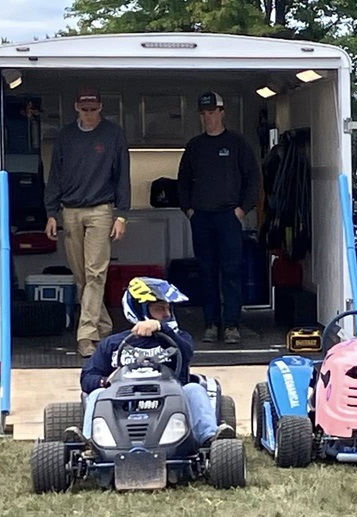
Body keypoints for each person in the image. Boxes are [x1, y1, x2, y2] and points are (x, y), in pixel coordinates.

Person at [74, 277, 234, 447]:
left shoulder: (179, 338)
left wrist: (161, 328)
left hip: (170, 401)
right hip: (123, 402)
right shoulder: (112, 344)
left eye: (168, 308)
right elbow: (87, 378)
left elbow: (186, 354)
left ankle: (210, 440)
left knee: (194, 389)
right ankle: (90, 445)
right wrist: (105, 381)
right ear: (139, 309)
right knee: (97, 394)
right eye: (159, 309)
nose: (167, 314)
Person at [44, 86, 131, 358]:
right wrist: (51, 212)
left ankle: (86, 334)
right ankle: (103, 326)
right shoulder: (65, 135)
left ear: (101, 108)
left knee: (95, 273)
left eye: (93, 109)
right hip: (70, 210)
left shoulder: (113, 134)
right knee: (82, 276)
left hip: (101, 209)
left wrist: (122, 214)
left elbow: (123, 174)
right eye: (85, 110)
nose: (89, 114)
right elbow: (55, 174)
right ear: (76, 108)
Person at [177, 91, 261, 345]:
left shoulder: (237, 143)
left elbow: (253, 179)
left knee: (231, 270)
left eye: (212, 112)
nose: (208, 118)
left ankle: (232, 324)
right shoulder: (195, 146)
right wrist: (189, 210)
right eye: (204, 113)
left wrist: (242, 209)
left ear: (222, 113)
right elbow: (182, 181)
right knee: (207, 271)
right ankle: (211, 324)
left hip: (228, 216)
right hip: (201, 217)